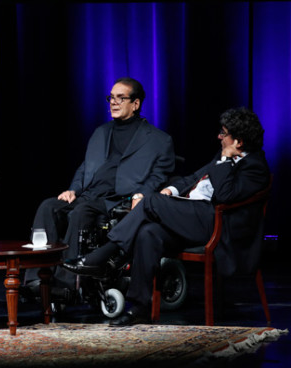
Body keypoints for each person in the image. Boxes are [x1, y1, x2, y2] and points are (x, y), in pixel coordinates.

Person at [63, 107, 270, 326]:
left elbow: (226, 195)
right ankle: (140, 307)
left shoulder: (255, 167)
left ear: (239, 142)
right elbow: (192, 177)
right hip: (193, 217)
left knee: (150, 200)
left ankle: (105, 255)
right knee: (148, 233)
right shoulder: (222, 157)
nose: (219, 136)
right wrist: (171, 191)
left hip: (217, 226)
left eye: (224, 133)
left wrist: (225, 160)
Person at [26, 77, 175, 301]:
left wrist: (142, 193)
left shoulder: (159, 140)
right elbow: (86, 166)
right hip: (89, 193)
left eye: (120, 98)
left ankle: (67, 284)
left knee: (81, 212)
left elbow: (159, 175)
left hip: (117, 199)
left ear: (136, 104)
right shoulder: (101, 132)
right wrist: (73, 189)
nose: (113, 102)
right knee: (48, 206)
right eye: (111, 98)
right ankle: (36, 279)